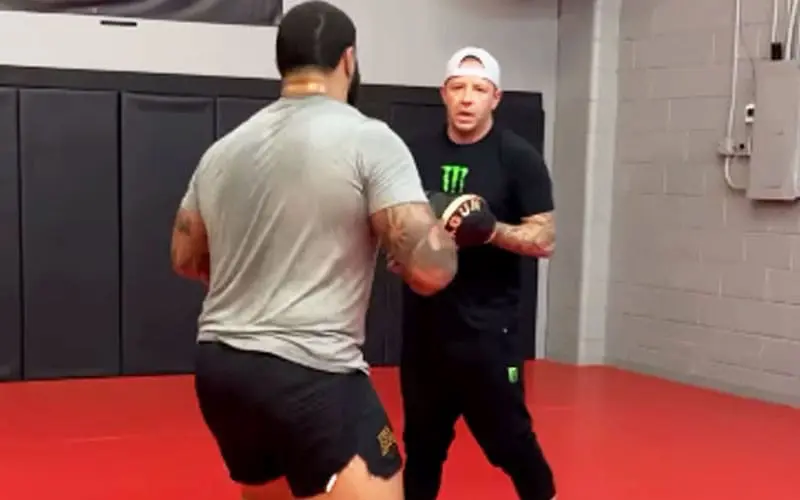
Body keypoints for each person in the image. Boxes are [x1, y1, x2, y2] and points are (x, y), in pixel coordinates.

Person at [169, 2, 459, 499]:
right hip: (311, 373)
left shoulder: (223, 150)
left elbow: (185, 258)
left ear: (282, 64)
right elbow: (431, 272)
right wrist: (446, 232)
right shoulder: (369, 138)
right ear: (348, 59)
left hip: (222, 372)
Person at [398, 47, 558, 500]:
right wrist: (403, 251)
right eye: (458, 87)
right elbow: (397, 222)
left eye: (479, 89)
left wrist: (489, 231)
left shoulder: (517, 157)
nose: (467, 98)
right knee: (422, 447)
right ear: (444, 93)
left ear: (495, 97)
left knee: (511, 443)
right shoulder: (414, 154)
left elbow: (544, 239)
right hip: (426, 331)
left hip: (488, 333)